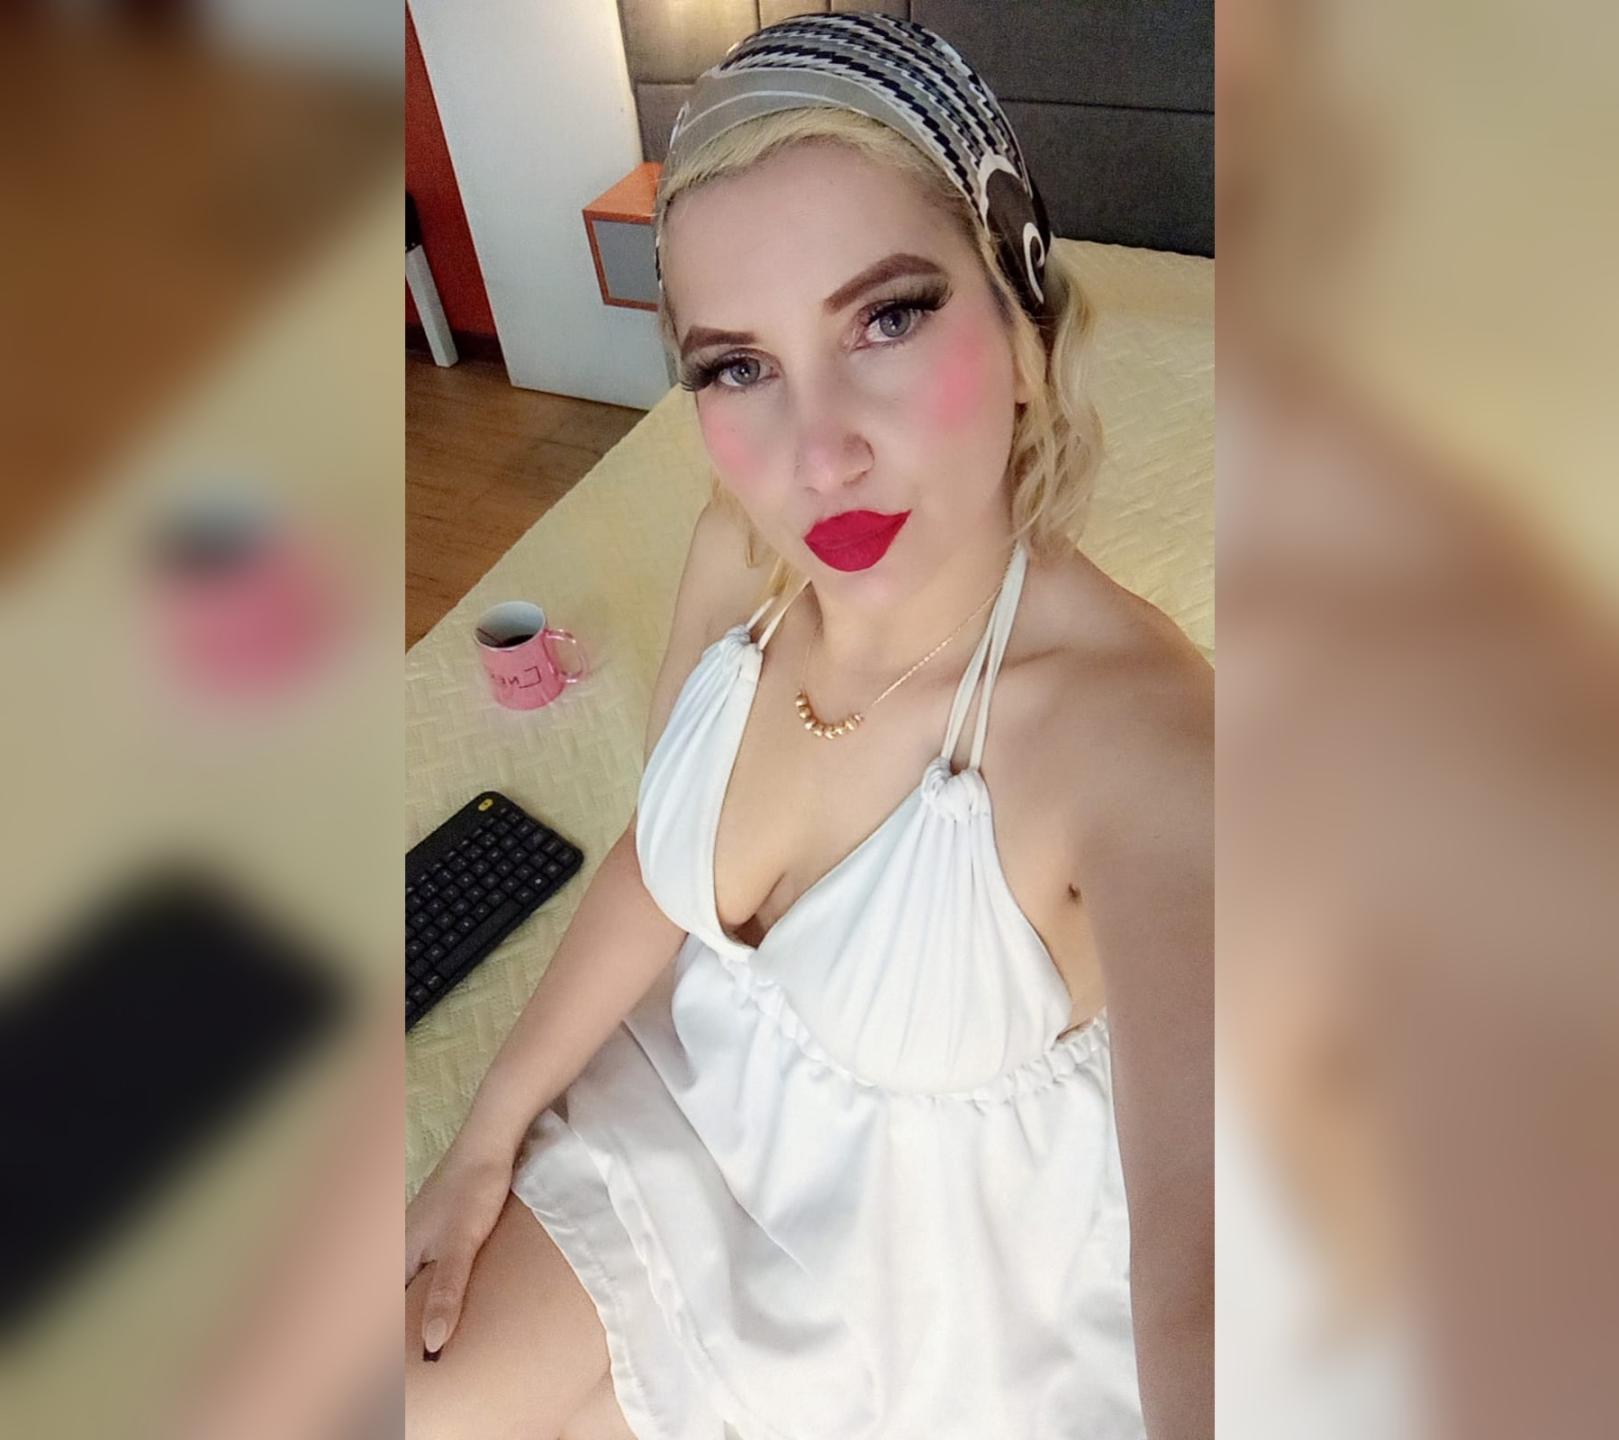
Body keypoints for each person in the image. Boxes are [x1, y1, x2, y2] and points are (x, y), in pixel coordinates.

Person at [405, 15, 1211, 1439]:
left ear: (1025, 335)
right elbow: (659, 866)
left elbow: (1203, 1265)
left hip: (940, 1283)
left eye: (887, 319)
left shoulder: (1138, 743)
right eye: (737, 367)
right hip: (690, 1120)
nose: (817, 454)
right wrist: (484, 1138)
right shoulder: (742, 558)